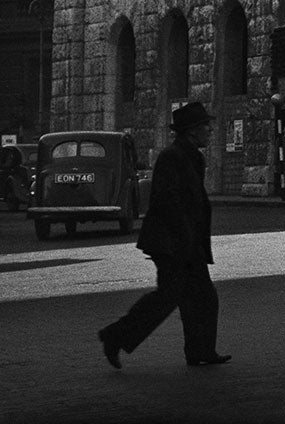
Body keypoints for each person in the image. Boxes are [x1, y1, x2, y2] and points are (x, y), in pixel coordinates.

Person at [98, 100, 230, 369]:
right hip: (172, 242)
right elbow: (166, 201)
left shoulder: (192, 156)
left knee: (200, 297)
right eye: (205, 126)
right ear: (192, 130)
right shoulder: (173, 156)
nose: (210, 130)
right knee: (170, 297)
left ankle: (200, 350)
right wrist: (185, 239)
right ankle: (115, 336)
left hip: (186, 241)